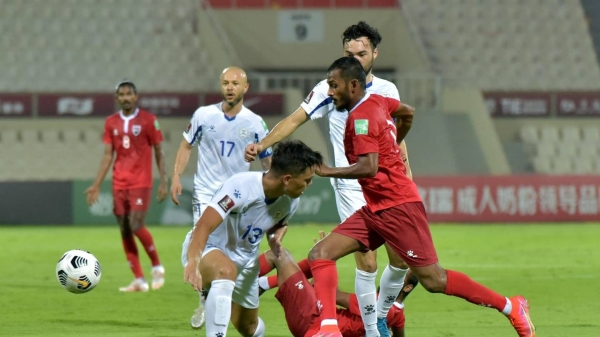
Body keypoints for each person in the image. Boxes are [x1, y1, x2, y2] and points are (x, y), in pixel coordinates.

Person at [307, 57, 536, 337]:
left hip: (398, 208)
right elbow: (408, 113)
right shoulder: (378, 101)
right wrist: (392, 143)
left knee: (434, 279)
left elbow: (369, 167)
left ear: (353, 85)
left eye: (334, 85)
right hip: (376, 209)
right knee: (321, 253)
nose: (329, 92)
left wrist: (327, 170)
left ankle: (511, 307)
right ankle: (330, 329)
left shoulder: (361, 117)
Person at [245, 21, 412, 337]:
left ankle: (377, 315)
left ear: (375, 53)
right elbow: (295, 119)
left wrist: (408, 177)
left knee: (402, 260)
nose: (356, 59)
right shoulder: (329, 88)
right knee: (367, 258)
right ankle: (375, 329)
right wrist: (263, 144)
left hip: (388, 185)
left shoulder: (388, 90)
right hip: (352, 184)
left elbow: (396, 138)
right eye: (350, 53)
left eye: (362, 53)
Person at [183, 140, 324, 337]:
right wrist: (192, 261)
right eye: (307, 180)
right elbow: (203, 225)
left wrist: (275, 237)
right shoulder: (240, 187)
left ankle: (215, 294)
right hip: (208, 249)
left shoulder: (291, 201)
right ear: (287, 179)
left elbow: (280, 223)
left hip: (246, 264)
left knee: (250, 329)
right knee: (225, 270)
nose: (310, 184)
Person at [170, 66, 273, 328]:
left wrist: (267, 184)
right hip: (206, 192)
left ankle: (229, 293)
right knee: (206, 242)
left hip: (238, 199)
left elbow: (267, 162)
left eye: (235, 83)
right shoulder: (203, 115)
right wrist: (175, 176)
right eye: (225, 83)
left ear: (245, 88)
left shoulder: (254, 122)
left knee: (230, 251)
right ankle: (206, 298)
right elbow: (185, 145)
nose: (229, 87)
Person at [85, 80, 167, 292]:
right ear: (116, 98)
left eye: (129, 94)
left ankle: (157, 266)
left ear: (136, 96)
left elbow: (159, 151)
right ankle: (139, 279)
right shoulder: (111, 122)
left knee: (136, 224)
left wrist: (164, 180)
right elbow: (107, 155)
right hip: (119, 182)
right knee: (124, 229)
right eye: (121, 94)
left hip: (141, 182)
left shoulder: (149, 120)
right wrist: (96, 185)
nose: (125, 97)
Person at [257, 232, 419, 337]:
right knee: (315, 262)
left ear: (407, 287)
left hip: (313, 321)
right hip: (316, 320)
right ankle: (262, 284)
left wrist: (327, 258)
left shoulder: (374, 301)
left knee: (278, 255)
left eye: (403, 274)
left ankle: (252, 282)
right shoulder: (397, 316)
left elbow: (333, 294)